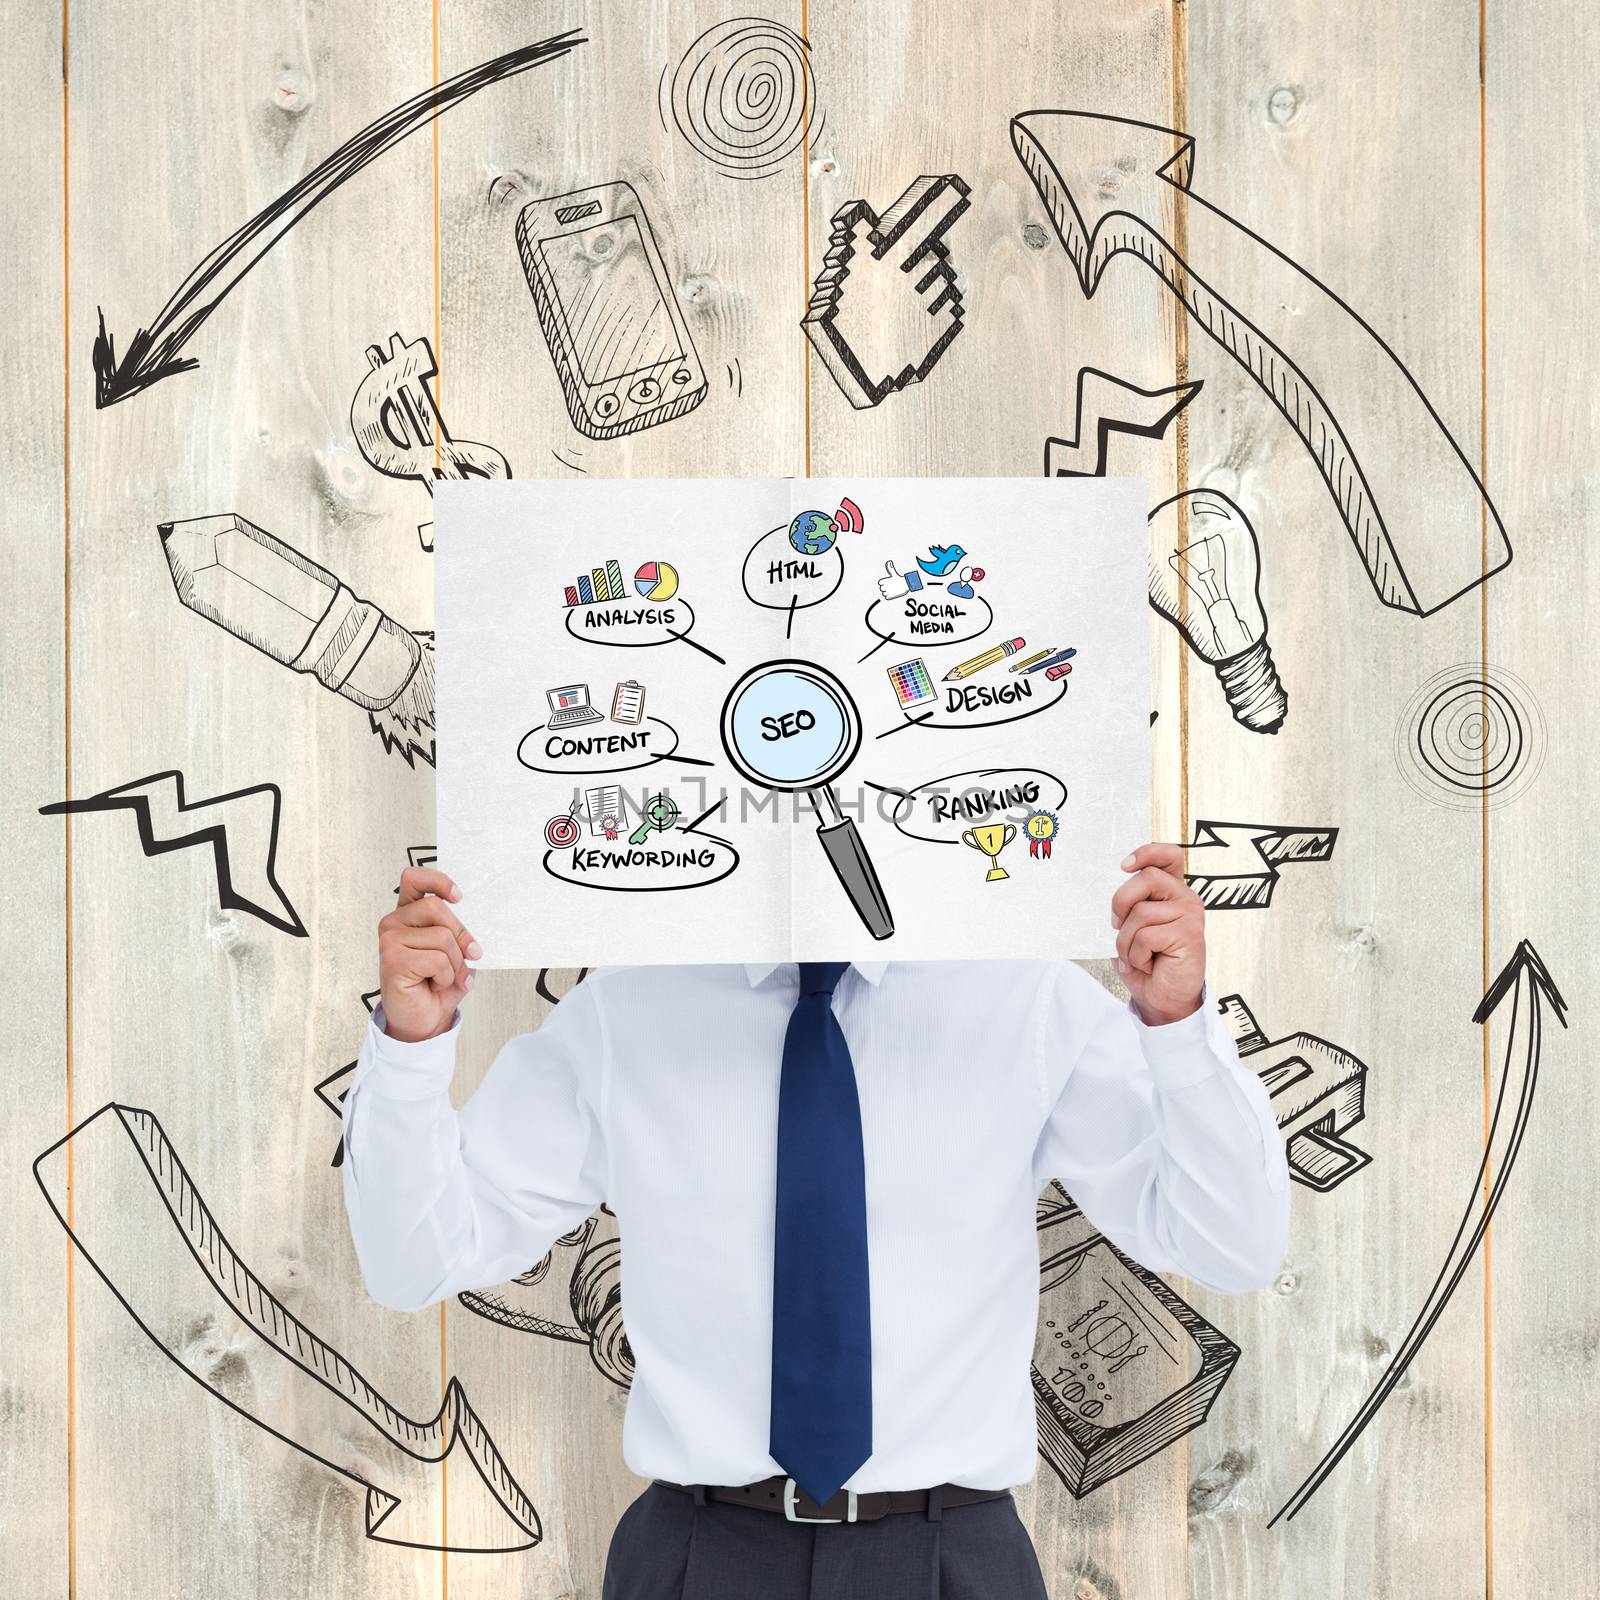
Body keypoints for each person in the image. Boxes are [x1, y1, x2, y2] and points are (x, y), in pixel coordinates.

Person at [340, 842, 1290, 1599]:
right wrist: (414, 1050)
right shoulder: (623, 1012)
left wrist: (1178, 1027)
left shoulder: (1028, 999)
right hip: (699, 1560)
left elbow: (1230, 1244)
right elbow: (416, 1261)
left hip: (950, 1559)